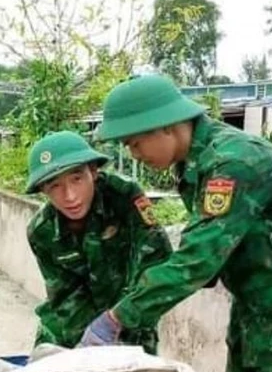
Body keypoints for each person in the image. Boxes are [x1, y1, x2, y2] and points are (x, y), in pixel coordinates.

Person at [79, 75, 272, 372]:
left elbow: (198, 262)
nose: (134, 154)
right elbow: (207, 252)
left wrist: (117, 317)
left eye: (135, 143)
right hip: (257, 311)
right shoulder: (195, 164)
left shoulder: (233, 162)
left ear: (166, 125)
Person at [25, 131, 172, 354]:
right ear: (43, 190)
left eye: (77, 179)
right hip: (68, 329)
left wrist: (120, 319)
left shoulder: (123, 196)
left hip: (131, 323)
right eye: (54, 186)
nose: (70, 196)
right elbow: (65, 298)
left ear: (93, 172)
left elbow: (156, 262)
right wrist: (83, 348)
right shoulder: (42, 232)